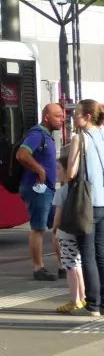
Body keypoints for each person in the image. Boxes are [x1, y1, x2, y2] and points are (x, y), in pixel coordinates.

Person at [15, 103, 64, 281]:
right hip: (37, 190)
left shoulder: (47, 136)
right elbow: (21, 154)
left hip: (48, 190)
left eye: (62, 115)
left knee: (59, 227)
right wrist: (40, 170)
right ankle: (38, 268)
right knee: (38, 228)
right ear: (46, 117)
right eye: (58, 116)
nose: (62, 119)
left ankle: (63, 266)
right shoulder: (37, 134)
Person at [66, 100, 104, 317]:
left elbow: (71, 173)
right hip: (103, 202)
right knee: (101, 253)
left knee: (87, 255)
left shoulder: (79, 139)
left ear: (88, 116)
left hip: (86, 204)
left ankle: (93, 305)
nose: (74, 117)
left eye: (77, 113)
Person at [52, 155, 86, 313]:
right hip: (80, 231)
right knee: (78, 265)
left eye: (59, 168)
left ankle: (74, 300)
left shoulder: (62, 192)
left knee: (70, 267)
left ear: (67, 171)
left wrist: (54, 229)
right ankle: (83, 298)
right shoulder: (81, 188)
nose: (56, 171)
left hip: (65, 234)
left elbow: (58, 216)